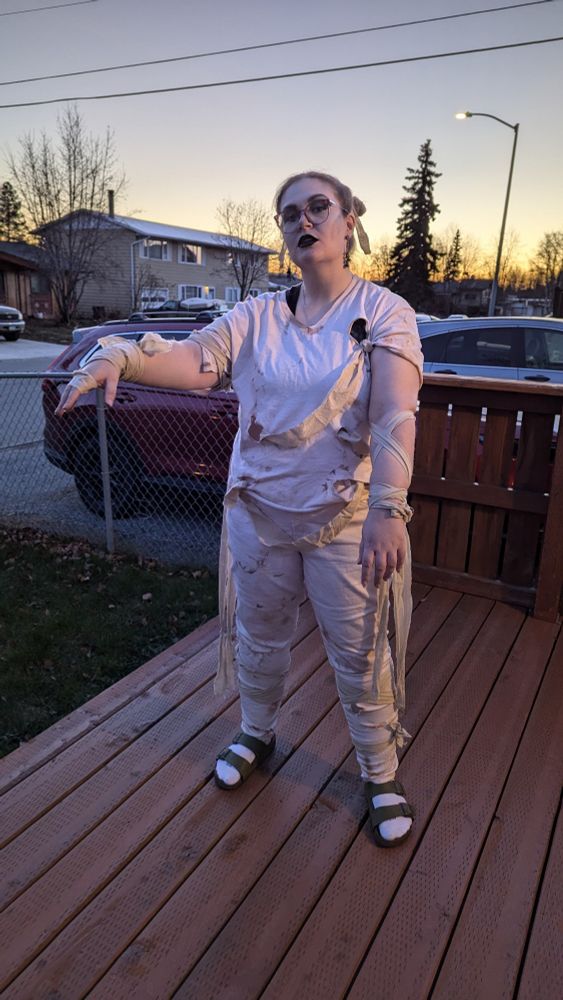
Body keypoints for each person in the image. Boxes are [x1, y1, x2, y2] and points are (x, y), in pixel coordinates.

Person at [57, 171, 423, 848]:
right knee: (258, 636)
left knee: (357, 650)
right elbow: (195, 361)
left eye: (318, 207)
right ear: (282, 235)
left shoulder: (384, 313)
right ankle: (257, 735)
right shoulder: (255, 317)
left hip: (342, 518)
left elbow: (396, 412)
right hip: (257, 512)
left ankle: (379, 771)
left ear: (348, 223)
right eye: (289, 214)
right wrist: (121, 357)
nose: (302, 220)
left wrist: (387, 507)